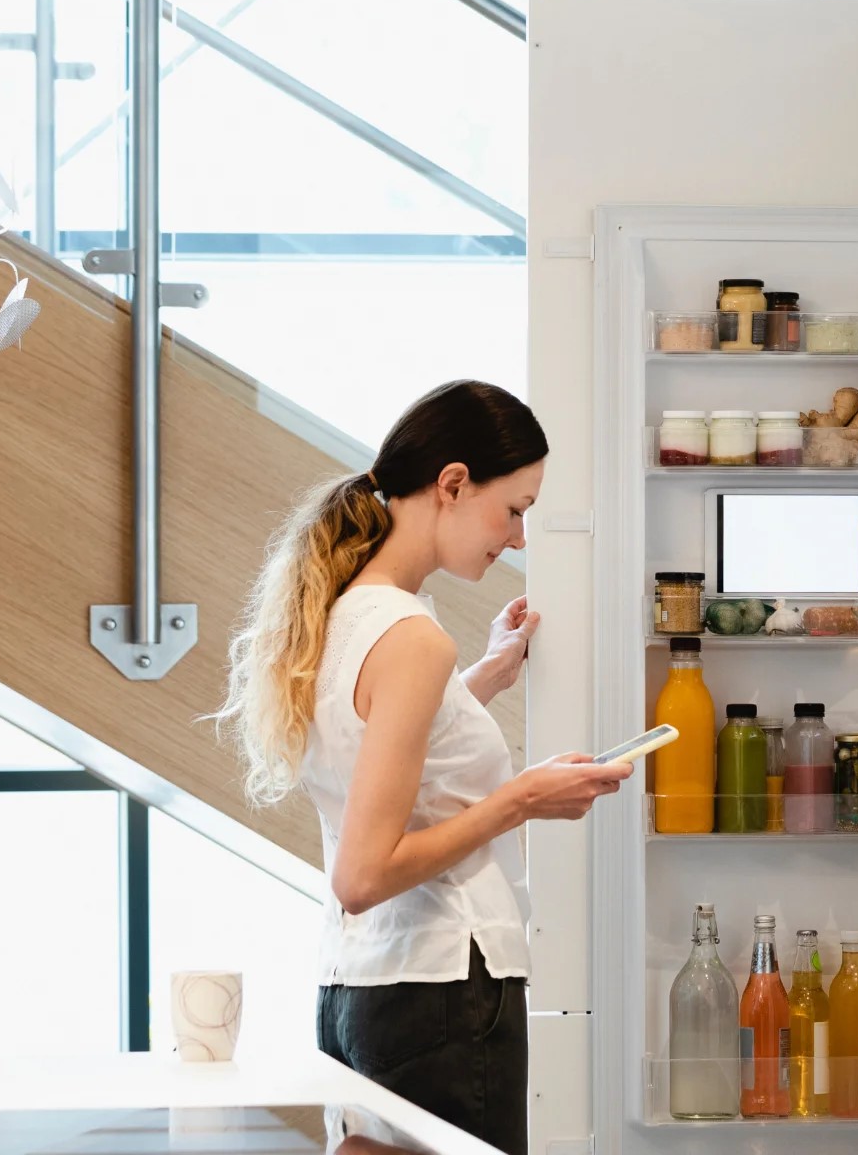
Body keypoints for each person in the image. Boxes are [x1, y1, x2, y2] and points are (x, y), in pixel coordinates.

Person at [214, 380, 631, 1155]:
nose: (518, 537)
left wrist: (482, 680)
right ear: (452, 484)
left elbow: (382, 753)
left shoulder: (344, 616)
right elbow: (364, 875)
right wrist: (521, 800)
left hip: (360, 993)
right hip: (447, 991)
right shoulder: (412, 638)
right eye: (515, 509)